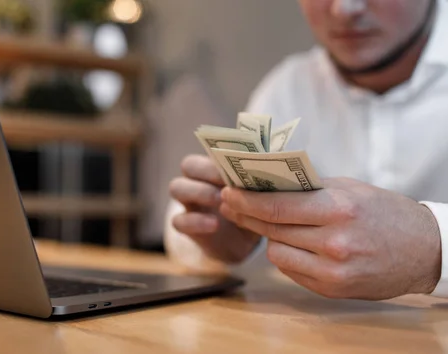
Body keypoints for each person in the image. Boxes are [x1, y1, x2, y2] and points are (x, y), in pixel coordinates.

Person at [165, 0, 448, 300]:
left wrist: (431, 246)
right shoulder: (289, 87)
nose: (344, 9)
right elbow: (187, 229)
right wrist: (232, 242)